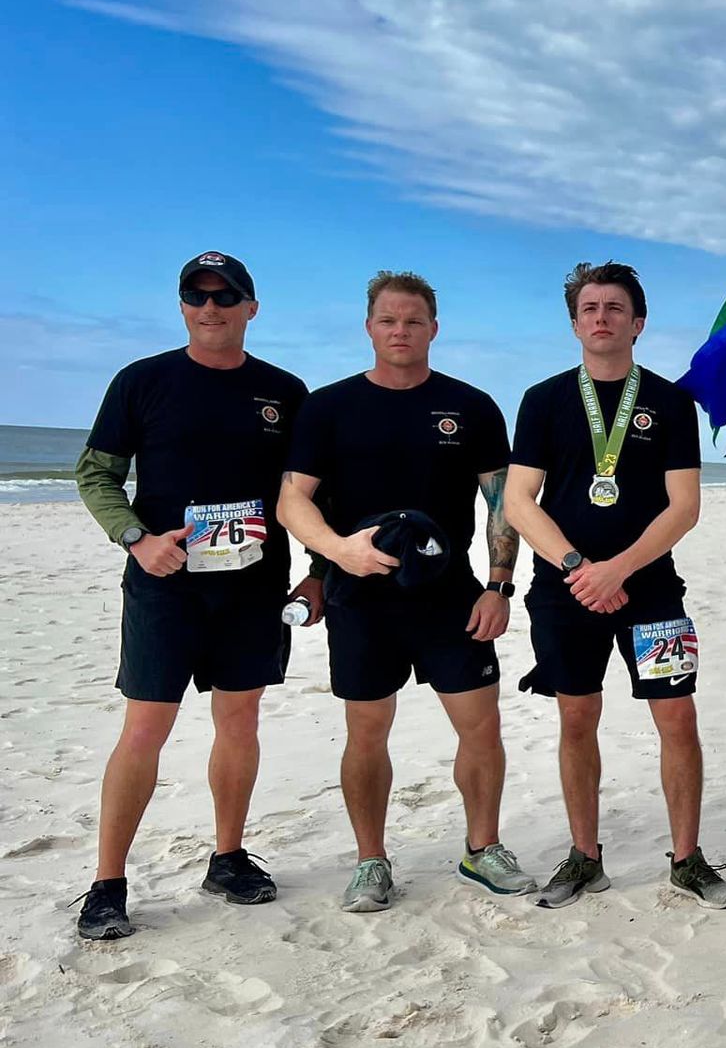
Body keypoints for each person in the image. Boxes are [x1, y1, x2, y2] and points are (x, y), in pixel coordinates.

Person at [72, 253, 320, 939]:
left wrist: (319, 571)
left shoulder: (284, 391)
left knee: (240, 721)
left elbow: (307, 492)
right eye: (197, 295)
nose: (210, 307)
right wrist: (134, 538)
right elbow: (96, 475)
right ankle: (107, 884)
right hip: (163, 584)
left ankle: (228, 857)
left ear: (251, 307)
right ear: (182, 305)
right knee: (145, 728)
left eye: (225, 296)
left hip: (252, 586)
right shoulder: (142, 382)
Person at [278, 271, 537, 912]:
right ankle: (371, 861)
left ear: (433, 329)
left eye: (413, 321)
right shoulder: (329, 406)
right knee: (366, 733)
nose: (400, 331)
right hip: (360, 599)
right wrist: (339, 553)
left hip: (452, 597)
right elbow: (291, 500)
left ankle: (483, 848)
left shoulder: (471, 406)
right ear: (369, 327)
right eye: (388, 320)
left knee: (481, 727)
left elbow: (503, 502)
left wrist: (500, 585)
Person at [503, 261, 726, 911]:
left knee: (678, 718)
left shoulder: (667, 401)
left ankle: (687, 859)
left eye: (614, 308)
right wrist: (582, 568)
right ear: (575, 322)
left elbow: (684, 505)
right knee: (576, 717)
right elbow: (521, 502)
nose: (601, 318)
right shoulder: (544, 400)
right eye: (589, 309)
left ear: (637, 323)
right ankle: (585, 857)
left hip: (652, 588)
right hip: (564, 590)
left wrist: (620, 569)